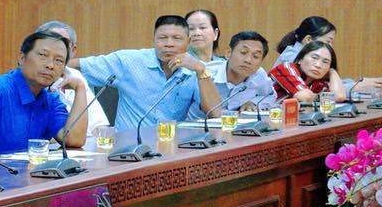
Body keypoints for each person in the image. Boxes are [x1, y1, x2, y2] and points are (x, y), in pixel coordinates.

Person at [0, 29, 90, 155]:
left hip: (30, 175)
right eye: (42, 55)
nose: (50, 65)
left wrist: (80, 88)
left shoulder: (50, 100)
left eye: (59, 61)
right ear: (21, 58)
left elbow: (74, 140)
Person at [78, 15, 219, 128]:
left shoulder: (194, 70)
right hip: (128, 147)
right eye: (162, 38)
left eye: (177, 38)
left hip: (169, 147)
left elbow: (215, 112)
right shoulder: (129, 61)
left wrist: (201, 71)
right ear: (154, 40)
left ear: (188, 41)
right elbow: (78, 66)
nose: (169, 44)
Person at [34, 19, 110, 129]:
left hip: (85, 140)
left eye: (63, 45)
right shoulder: (32, 80)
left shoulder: (75, 75)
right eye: (51, 43)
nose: (57, 49)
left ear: (73, 50)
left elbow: (99, 125)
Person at [194, 30, 277, 117]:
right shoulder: (205, 74)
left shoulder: (259, 75)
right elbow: (212, 113)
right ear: (228, 53)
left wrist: (253, 102)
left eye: (256, 56)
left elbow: (270, 96)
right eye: (243, 52)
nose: (248, 60)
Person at [270, 39, 344, 103]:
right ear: (300, 59)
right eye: (314, 57)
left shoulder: (318, 83)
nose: (318, 65)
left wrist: (332, 71)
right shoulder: (287, 68)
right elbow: (305, 96)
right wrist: (321, 97)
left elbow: (339, 97)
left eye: (325, 62)